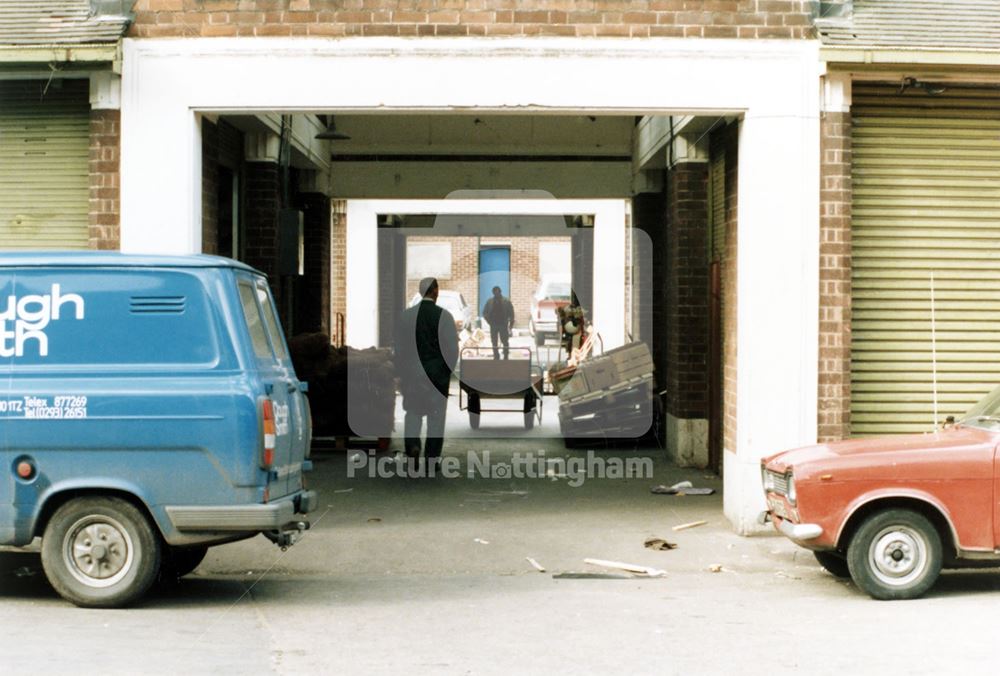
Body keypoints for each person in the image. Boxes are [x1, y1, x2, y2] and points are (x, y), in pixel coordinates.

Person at [394, 277, 459, 476]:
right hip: (436, 376)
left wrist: (401, 373)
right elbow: (452, 349)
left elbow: (400, 349)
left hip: (412, 375)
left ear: (421, 292)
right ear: (436, 291)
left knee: (413, 413)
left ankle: (412, 447)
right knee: (436, 418)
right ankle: (432, 459)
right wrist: (446, 371)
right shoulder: (444, 317)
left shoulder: (406, 317)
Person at [481, 285, 514, 360]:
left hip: (503, 324)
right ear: (493, 293)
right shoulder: (490, 301)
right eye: (494, 293)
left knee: (505, 340)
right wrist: (489, 322)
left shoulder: (506, 301)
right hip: (494, 324)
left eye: (497, 292)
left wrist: (510, 325)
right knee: (494, 341)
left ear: (500, 292)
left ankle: (505, 355)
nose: (496, 294)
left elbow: (511, 313)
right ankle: (496, 355)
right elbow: (484, 313)